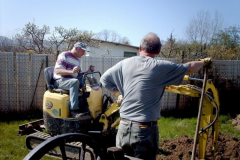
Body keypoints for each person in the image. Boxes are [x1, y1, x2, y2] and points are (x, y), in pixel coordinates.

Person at [100, 32, 211, 160]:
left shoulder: (124, 64)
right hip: (144, 131)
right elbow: (190, 67)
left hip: (123, 128)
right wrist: (203, 62)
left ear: (140, 48)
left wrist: (118, 94)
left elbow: (104, 80)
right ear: (158, 51)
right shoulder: (160, 67)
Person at [53, 42, 89, 118]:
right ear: (76, 48)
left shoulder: (77, 60)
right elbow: (58, 71)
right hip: (60, 81)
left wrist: (88, 71)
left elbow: (79, 74)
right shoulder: (64, 55)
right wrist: (72, 72)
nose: (84, 53)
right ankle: (74, 111)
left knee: (87, 82)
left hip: (70, 81)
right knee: (74, 82)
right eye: (83, 51)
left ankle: (87, 108)